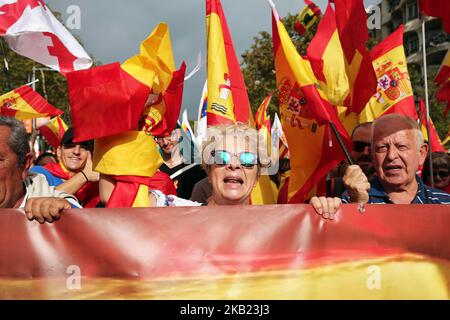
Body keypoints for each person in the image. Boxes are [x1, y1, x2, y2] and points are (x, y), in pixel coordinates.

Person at [311, 114, 450, 219]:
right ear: (373, 155)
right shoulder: (351, 200)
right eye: (382, 148)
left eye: (401, 147)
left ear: (421, 153)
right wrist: (324, 212)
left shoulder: (444, 204)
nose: (391, 156)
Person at [0, 116, 80, 223]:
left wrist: (66, 216)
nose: (76, 151)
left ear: (24, 165)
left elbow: (87, 226)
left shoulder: (54, 204)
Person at [31, 127, 100, 207]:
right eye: (70, 146)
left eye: (83, 147)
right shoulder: (39, 173)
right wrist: (84, 176)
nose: (76, 151)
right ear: (59, 151)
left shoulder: (95, 185)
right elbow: (39, 203)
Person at [156, 127, 207, 200]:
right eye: (160, 137)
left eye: (169, 135)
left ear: (179, 134)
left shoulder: (197, 170)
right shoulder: (153, 170)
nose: (165, 142)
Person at [326, 122, 374, 197]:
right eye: (358, 146)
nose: (365, 152)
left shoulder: (394, 188)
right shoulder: (331, 188)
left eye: (372, 146)